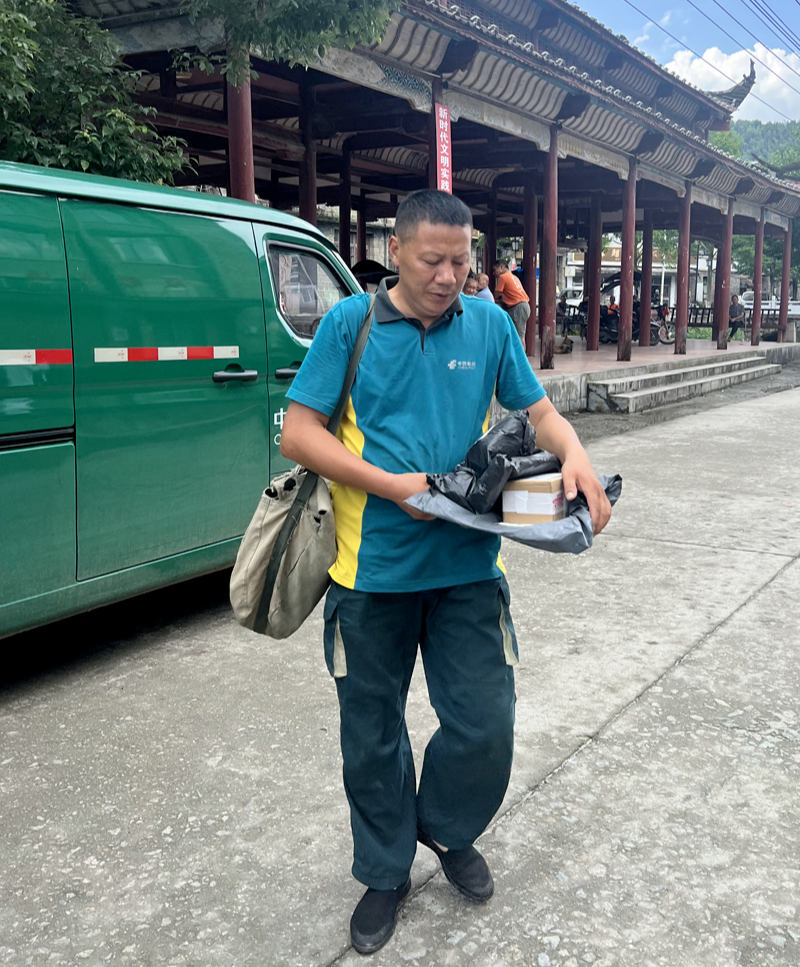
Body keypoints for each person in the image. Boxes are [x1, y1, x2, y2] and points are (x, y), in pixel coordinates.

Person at [280, 190, 612, 957]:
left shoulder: (488, 324)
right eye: (432, 260)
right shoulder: (351, 324)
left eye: (461, 261)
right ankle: (384, 869)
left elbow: (538, 412)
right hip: (370, 573)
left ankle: (444, 825)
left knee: (486, 723)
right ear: (396, 251)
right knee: (372, 736)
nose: (447, 275)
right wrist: (391, 486)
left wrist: (575, 453)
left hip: (468, 565)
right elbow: (299, 433)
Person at [492, 260, 530, 342]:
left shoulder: (502, 277)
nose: (493, 273)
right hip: (523, 305)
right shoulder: (514, 277)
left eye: (495, 270)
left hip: (517, 307)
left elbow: (496, 294)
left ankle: (521, 351)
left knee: (519, 336)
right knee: (519, 334)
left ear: (501, 267)